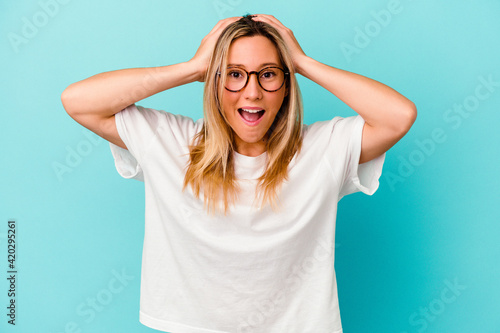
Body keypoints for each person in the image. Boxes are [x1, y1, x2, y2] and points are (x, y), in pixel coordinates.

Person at [61, 14, 416, 333]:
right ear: (214, 83)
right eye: (233, 74)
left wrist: (303, 63)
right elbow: (78, 101)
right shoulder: (171, 143)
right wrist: (192, 67)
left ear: (287, 84)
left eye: (268, 74)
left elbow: (398, 116)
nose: (252, 91)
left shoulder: (322, 149)